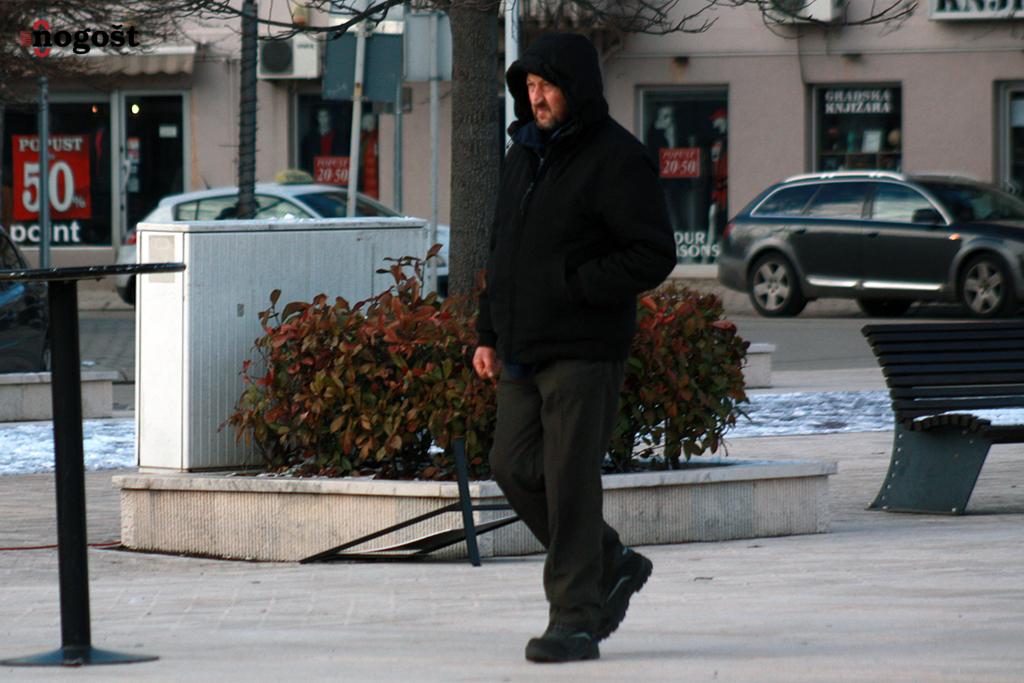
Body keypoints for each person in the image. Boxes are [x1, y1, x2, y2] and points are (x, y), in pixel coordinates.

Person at [472, 33, 677, 664]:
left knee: (569, 485)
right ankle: (611, 560)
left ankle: (575, 620)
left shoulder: (617, 158)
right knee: (512, 466)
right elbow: (502, 247)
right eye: (530, 87)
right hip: (521, 346)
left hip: (583, 348)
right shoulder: (524, 153)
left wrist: (576, 287)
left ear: (576, 88)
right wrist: (487, 332)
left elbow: (653, 253)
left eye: (548, 87)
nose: (536, 98)